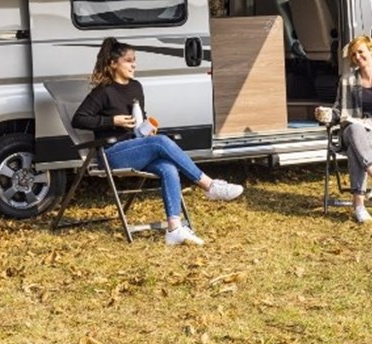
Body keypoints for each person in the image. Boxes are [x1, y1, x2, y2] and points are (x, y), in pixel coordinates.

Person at [72, 37, 244, 246]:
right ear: (113, 63)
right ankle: (209, 186)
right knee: (161, 142)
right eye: (128, 61)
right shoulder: (103, 91)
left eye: (134, 60)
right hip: (111, 153)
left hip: (136, 147)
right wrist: (112, 120)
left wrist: (147, 127)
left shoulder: (136, 87)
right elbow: (79, 119)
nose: (134, 65)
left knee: (168, 167)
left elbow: (139, 118)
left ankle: (174, 228)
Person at [316, 35, 372, 224]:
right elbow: (339, 111)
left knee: (355, 149)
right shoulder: (347, 79)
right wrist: (326, 114)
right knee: (355, 129)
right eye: (353, 54)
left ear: (371, 50)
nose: (357, 57)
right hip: (351, 131)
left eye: (360, 52)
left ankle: (359, 207)